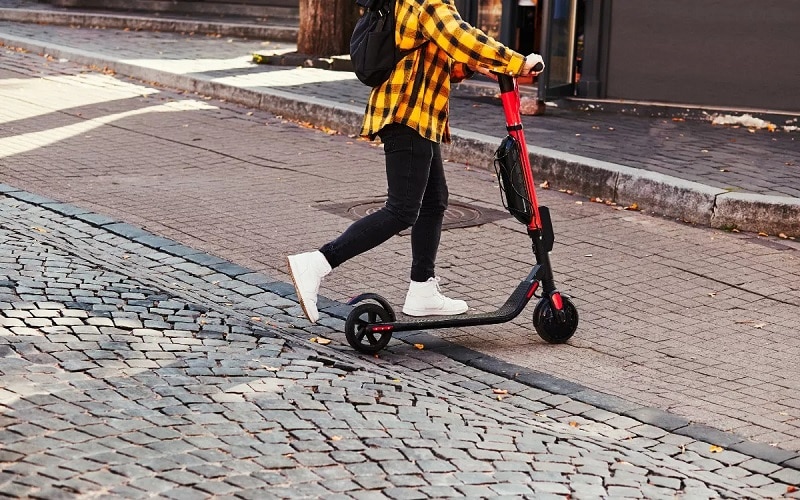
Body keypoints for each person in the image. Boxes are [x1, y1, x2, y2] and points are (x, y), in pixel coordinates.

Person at [287, 0, 545, 324]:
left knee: (434, 202)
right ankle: (318, 262)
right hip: (407, 114)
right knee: (401, 210)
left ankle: (422, 289)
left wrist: (475, 66)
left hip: (418, 118)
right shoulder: (427, 0)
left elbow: (441, 59)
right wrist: (515, 62)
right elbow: (458, 36)